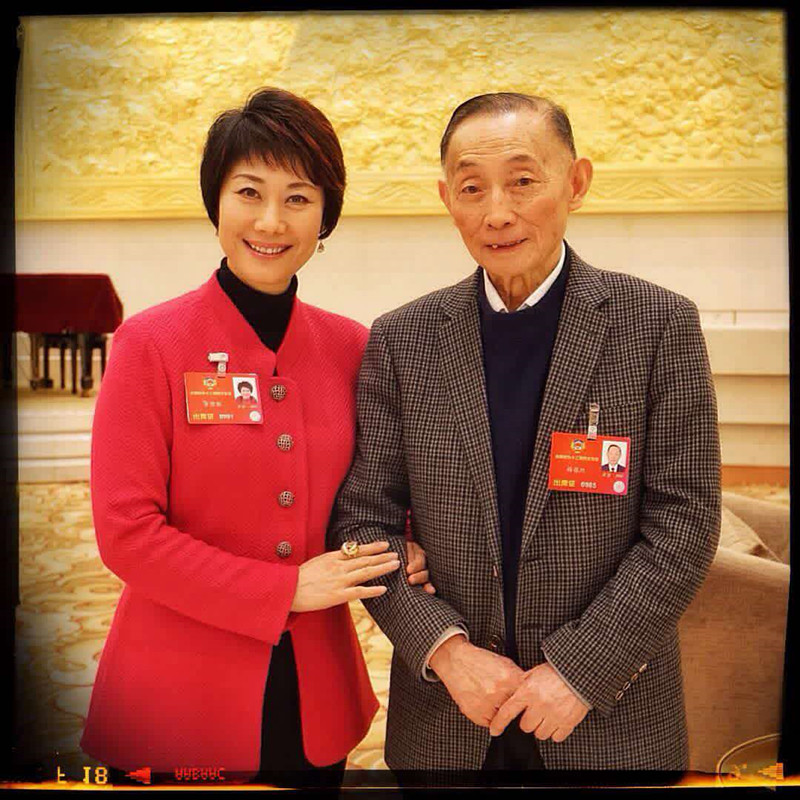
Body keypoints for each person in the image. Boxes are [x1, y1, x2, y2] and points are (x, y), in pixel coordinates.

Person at [331, 92, 721, 778]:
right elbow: (365, 520)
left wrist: (580, 670)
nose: (497, 212)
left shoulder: (657, 325)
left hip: (608, 718)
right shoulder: (402, 339)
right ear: (446, 199)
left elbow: (684, 522)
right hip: (449, 716)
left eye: (522, 181)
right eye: (471, 188)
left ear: (576, 183)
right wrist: (446, 651)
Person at [81, 87, 434, 788]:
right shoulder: (150, 344)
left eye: (298, 198)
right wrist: (285, 588)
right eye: (249, 192)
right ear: (215, 200)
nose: (271, 221)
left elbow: (374, 494)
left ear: (326, 215)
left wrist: (406, 541)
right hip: (175, 693)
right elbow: (126, 534)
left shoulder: (352, 347)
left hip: (315, 695)